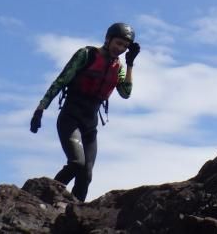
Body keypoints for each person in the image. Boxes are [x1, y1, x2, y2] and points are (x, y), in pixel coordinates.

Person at [29, 22, 140, 202]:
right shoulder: (86, 54)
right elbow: (61, 81)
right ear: (108, 39)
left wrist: (130, 64)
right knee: (76, 163)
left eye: (125, 47)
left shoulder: (118, 67)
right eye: (118, 43)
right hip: (70, 117)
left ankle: (73, 214)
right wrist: (40, 109)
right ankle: (44, 198)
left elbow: (125, 93)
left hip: (90, 123)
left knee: (86, 175)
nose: (120, 49)